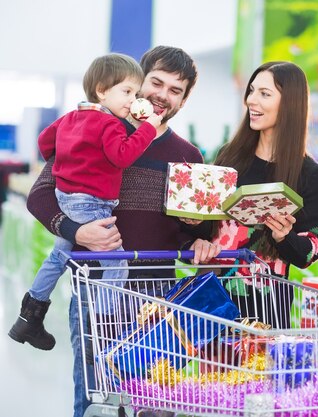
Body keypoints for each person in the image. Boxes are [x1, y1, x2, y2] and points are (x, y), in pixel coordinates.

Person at [25, 46, 218, 417]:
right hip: (96, 292)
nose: (162, 95)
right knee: (96, 402)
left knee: (156, 406)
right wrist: (76, 232)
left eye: (175, 90)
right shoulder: (92, 130)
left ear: (183, 100)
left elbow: (191, 229)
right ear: (135, 81)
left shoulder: (188, 155)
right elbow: (39, 195)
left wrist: (197, 233)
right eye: (156, 82)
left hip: (159, 301)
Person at [9, 53, 163, 352]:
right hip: (92, 204)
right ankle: (100, 329)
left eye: (135, 93)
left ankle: (29, 317)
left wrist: (70, 160)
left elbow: (44, 142)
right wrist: (148, 129)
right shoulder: (111, 124)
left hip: (66, 198)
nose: (133, 100)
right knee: (118, 263)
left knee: (58, 258)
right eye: (127, 91)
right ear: (102, 90)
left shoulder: (71, 117)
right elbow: (123, 155)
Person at [205, 61, 318, 329]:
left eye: (265, 93)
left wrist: (284, 237)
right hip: (213, 299)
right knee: (213, 372)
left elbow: (310, 252)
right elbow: (208, 221)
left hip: (266, 308)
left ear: (290, 104)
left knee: (259, 371)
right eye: (251, 91)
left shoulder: (311, 174)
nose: (251, 100)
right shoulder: (229, 156)